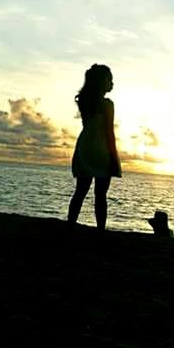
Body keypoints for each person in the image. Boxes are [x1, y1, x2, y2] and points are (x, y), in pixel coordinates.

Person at [67, 64, 122, 232]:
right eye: (109, 79)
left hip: (84, 146)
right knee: (100, 195)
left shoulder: (84, 101)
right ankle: (100, 231)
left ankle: (70, 226)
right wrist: (114, 158)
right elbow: (109, 132)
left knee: (80, 192)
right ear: (101, 82)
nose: (112, 83)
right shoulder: (107, 104)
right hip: (101, 149)